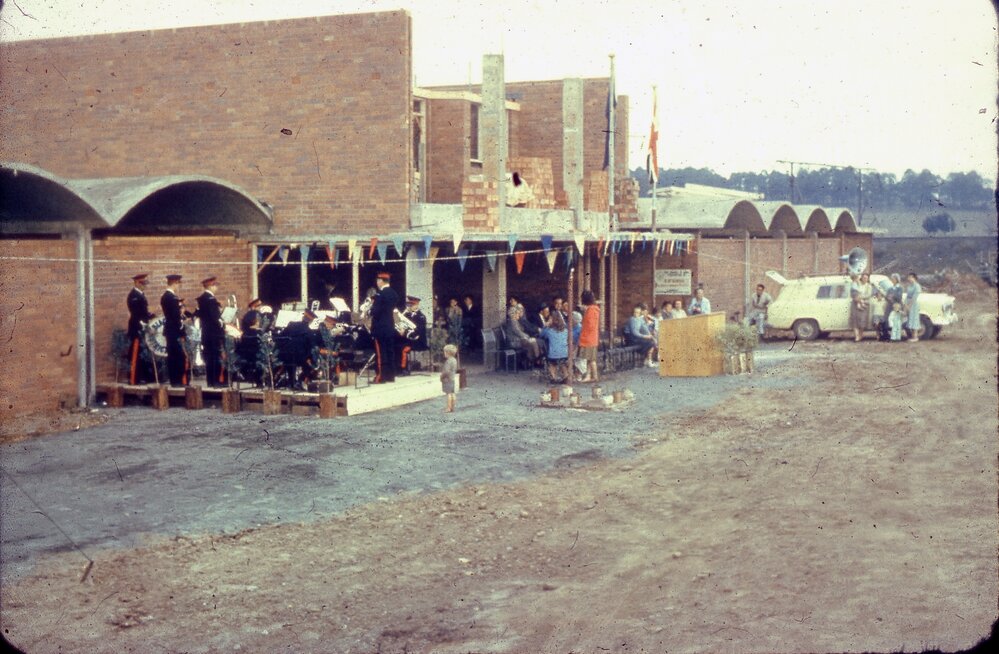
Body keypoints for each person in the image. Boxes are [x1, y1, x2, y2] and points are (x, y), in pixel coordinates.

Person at [370, 271, 400, 382]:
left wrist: (370, 310)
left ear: (381, 281)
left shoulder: (380, 294)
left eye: (378, 280)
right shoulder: (394, 293)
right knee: (390, 351)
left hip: (380, 327)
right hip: (389, 326)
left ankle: (380, 376)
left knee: (380, 353)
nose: (377, 283)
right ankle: (390, 376)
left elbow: (376, 311)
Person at [196, 276, 225, 387]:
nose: (216, 288)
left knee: (209, 358)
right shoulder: (211, 299)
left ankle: (210, 381)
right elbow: (215, 318)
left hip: (206, 333)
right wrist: (222, 322)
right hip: (214, 333)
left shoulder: (202, 298)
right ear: (210, 286)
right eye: (215, 285)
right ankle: (216, 381)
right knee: (215, 356)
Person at [126, 273, 155, 384]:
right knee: (135, 353)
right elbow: (137, 314)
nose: (145, 286)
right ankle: (134, 378)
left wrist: (150, 315)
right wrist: (146, 322)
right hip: (136, 327)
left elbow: (143, 312)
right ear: (137, 282)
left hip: (141, 326)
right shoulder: (134, 296)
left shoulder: (140, 294)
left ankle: (141, 377)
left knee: (141, 353)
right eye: (143, 284)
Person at [160, 274, 189, 386]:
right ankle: (177, 380)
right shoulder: (171, 297)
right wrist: (182, 325)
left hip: (171, 329)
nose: (178, 286)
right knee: (177, 355)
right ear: (174, 283)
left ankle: (176, 380)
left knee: (174, 355)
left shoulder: (166, 296)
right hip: (174, 329)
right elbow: (175, 316)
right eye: (178, 284)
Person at [398, 295, 428, 375]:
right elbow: (400, 324)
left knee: (403, 349)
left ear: (416, 305)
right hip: (407, 339)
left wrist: (405, 332)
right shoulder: (406, 315)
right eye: (409, 305)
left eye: (411, 305)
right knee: (396, 346)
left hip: (417, 340)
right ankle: (397, 369)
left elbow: (418, 331)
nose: (409, 307)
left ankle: (404, 369)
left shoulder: (421, 317)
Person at [539, 310, 569, 383]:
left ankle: (553, 377)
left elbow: (541, 335)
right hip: (564, 353)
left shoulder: (549, 330)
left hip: (553, 354)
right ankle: (566, 377)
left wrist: (545, 326)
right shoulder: (565, 330)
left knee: (552, 364)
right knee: (563, 363)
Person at [578, 289, 600, 383]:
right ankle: (589, 375)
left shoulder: (590, 310)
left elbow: (589, 325)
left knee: (590, 359)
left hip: (588, 338)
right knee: (590, 359)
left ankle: (594, 376)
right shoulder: (595, 308)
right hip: (593, 337)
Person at [440, 343, 459, 413]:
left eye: (444, 352)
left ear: (448, 353)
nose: (444, 353)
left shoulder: (448, 361)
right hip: (452, 378)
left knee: (448, 394)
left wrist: (442, 377)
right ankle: (452, 407)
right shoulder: (454, 360)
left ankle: (448, 408)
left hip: (447, 379)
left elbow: (446, 371)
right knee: (452, 393)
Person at [904, 273, 922, 342]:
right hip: (908, 303)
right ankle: (911, 336)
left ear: (914, 278)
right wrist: (905, 304)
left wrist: (909, 305)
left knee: (914, 319)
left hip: (913, 305)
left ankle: (915, 337)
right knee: (909, 319)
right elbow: (907, 295)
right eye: (908, 277)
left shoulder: (917, 286)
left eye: (911, 277)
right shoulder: (909, 286)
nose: (909, 279)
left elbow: (914, 297)